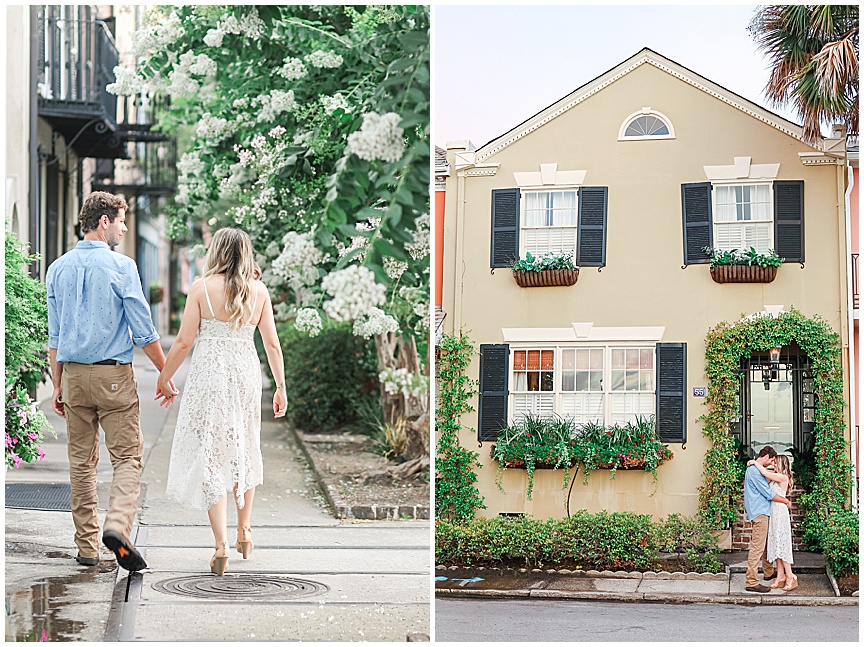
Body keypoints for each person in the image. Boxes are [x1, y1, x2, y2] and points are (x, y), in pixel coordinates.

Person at [46, 191, 175, 572]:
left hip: (72, 376)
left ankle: (87, 548)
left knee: (81, 465)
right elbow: (143, 329)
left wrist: (57, 385)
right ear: (104, 221)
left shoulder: (57, 268)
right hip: (113, 377)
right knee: (128, 458)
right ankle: (117, 526)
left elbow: (54, 337)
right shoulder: (122, 266)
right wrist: (165, 375)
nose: (123, 227)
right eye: (121, 220)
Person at [158, 227, 287, 576]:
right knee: (244, 445)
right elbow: (272, 345)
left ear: (216, 251)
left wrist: (164, 375)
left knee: (213, 454)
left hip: (210, 374)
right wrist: (280, 386)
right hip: (245, 372)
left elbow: (184, 342)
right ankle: (245, 530)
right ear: (246, 253)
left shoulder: (201, 289)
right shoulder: (259, 291)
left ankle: (221, 545)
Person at [743, 445, 791, 593]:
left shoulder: (756, 470)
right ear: (765, 457)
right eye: (771, 461)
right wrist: (785, 501)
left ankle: (769, 572)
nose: (771, 464)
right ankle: (751, 581)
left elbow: (769, 475)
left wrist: (754, 462)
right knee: (758, 547)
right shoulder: (755, 472)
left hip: (762, 511)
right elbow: (768, 494)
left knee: (765, 545)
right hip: (760, 513)